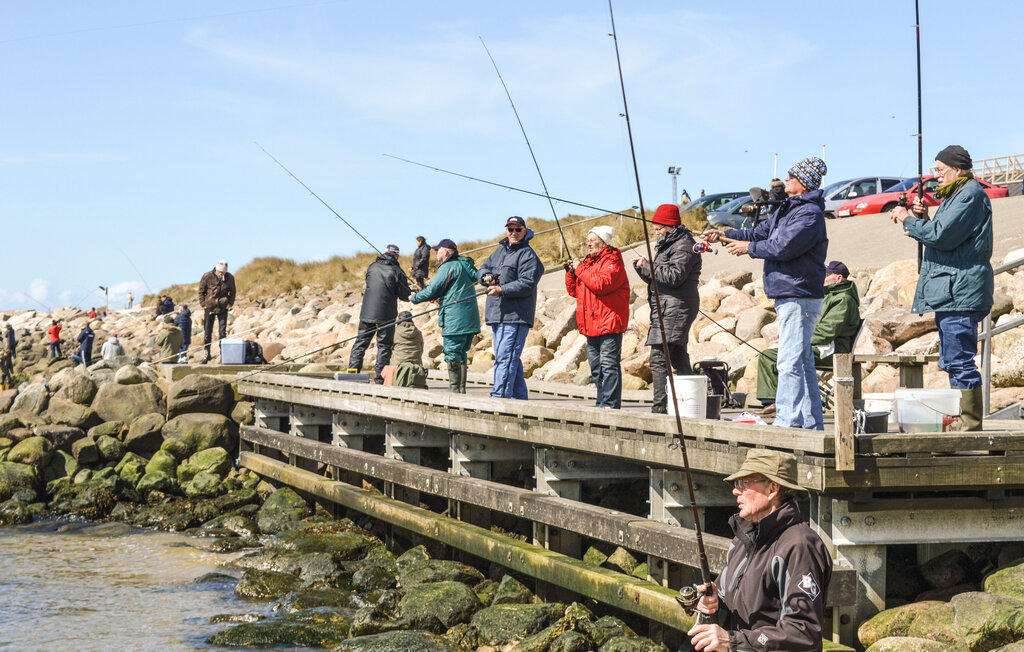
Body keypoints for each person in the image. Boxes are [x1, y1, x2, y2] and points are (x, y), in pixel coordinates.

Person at [703, 156, 829, 430]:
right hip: (790, 293)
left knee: (789, 361)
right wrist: (724, 235)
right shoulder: (788, 209)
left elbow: (782, 246)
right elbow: (760, 233)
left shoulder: (809, 214)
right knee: (803, 361)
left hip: (799, 294)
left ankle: (787, 422)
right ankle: (809, 423)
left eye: (791, 177)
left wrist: (747, 250)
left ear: (804, 183)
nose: (786, 180)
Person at [890, 145, 993, 431]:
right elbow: (942, 236)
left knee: (959, 361)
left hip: (961, 293)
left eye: (940, 170)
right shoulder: (957, 195)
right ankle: (961, 425)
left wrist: (907, 219)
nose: (936, 176)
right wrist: (922, 218)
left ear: (958, 169)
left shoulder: (969, 195)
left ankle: (970, 429)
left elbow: (941, 236)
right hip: (953, 292)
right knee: (952, 360)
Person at [687, 449, 832, 652]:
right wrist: (713, 604)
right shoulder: (743, 538)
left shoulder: (800, 546)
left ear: (772, 488)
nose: (736, 491)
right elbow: (728, 602)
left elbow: (803, 632)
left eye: (744, 483)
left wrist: (732, 642)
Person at [756, 261, 861, 415]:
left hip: (833, 351)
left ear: (839, 278)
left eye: (825, 275)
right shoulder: (829, 296)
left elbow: (826, 332)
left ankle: (777, 403)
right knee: (771, 354)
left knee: (770, 356)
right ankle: (775, 402)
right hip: (819, 346)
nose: (821, 277)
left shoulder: (843, 299)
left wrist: (798, 339)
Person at [633, 204, 702, 414]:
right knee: (678, 355)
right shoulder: (670, 244)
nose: (655, 230)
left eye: (659, 226)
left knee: (658, 356)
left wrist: (648, 266)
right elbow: (660, 277)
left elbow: (673, 277)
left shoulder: (683, 245)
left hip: (676, 307)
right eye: (654, 226)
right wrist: (642, 267)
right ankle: (689, 403)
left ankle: (660, 407)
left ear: (670, 225)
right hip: (669, 305)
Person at [478, 216, 544, 400]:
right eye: (510, 229)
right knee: (506, 357)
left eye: (517, 229)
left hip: (515, 316)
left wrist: (502, 289)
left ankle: (500, 398)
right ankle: (519, 398)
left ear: (524, 231)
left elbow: (527, 283)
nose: (513, 233)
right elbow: (482, 268)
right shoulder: (499, 251)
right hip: (497, 314)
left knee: (505, 359)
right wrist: (486, 277)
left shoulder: (528, 255)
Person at [566, 225, 630, 409]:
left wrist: (579, 270)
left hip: (609, 322)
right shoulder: (588, 262)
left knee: (609, 365)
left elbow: (601, 284)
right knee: (596, 368)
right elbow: (574, 291)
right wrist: (571, 272)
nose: (589, 244)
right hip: (592, 324)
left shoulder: (613, 260)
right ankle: (602, 401)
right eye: (588, 240)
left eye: (593, 240)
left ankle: (610, 404)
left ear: (603, 242)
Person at [411, 238, 481, 394]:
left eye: (438, 250)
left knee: (452, 353)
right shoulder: (464, 265)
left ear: (447, 252)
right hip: (470, 319)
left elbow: (432, 289)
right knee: (461, 353)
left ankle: (454, 393)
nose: (435, 253)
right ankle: (460, 392)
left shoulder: (448, 266)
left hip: (455, 319)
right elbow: (450, 288)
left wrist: (414, 298)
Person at [348, 245, 412, 383]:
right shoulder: (397, 271)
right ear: (397, 256)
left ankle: (352, 372)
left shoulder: (372, 267)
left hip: (367, 312)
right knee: (384, 345)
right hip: (386, 314)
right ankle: (379, 378)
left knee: (361, 342)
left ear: (384, 253)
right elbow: (405, 295)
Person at [198, 260, 236, 362]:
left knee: (222, 332)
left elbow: (233, 292)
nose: (221, 274)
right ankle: (206, 355)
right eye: (220, 272)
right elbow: (201, 291)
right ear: (216, 269)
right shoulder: (207, 276)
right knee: (207, 332)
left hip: (223, 307)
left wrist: (230, 303)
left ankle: (223, 356)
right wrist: (203, 304)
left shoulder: (229, 277)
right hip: (209, 307)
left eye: (223, 272)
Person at [390, 311, 428, 389]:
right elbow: (421, 349)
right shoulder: (417, 332)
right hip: (416, 366)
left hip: (398, 366)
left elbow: (390, 348)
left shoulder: (395, 332)